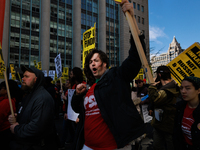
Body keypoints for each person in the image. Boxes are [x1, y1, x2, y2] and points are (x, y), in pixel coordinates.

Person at [71, 1, 146, 150]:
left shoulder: (116, 77)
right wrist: (78, 95)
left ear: (105, 64)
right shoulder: (91, 88)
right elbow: (77, 109)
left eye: (96, 61)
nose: (92, 64)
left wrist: (132, 20)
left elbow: (135, 58)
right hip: (87, 146)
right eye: (90, 62)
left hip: (112, 146)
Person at [8, 65, 58, 150]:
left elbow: (36, 127)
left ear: (35, 80)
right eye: (23, 76)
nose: (23, 78)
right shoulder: (29, 95)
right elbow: (28, 115)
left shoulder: (42, 98)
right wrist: (18, 117)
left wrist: (16, 129)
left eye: (26, 76)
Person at [148, 65, 180, 150]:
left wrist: (151, 86)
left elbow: (154, 99)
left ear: (159, 75)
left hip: (167, 124)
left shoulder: (168, 89)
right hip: (161, 123)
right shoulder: (171, 86)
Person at [173, 76, 200, 150]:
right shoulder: (179, 107)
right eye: (181, 88)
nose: (183, 91)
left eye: (188, 88)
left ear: (198, 90)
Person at [0, 80, 22, 150]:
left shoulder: (6, 102)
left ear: (7, 90)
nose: (0, 89)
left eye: (2, 88)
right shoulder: (9, 100)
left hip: (4, 131)